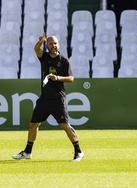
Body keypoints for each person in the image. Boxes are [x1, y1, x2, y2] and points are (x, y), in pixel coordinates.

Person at [12, 34, 84, 162]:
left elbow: (71, 78)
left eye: (55, 43)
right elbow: (36, 50)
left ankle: (78, 151)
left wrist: (58, 78)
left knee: (65, 125)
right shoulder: (44, 57)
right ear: (47, 45)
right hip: (44, 99)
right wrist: (40, 42)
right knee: (33, 124)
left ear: (58, 45)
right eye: (50, 43)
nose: (53, 45)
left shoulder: (63, 61)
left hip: (58, 99)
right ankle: (28, 152)